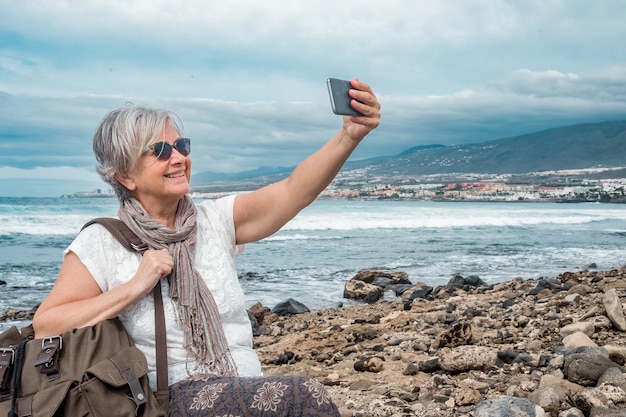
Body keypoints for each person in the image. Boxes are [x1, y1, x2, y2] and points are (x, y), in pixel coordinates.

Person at [32, 78, 381, 416]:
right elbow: (48, 324)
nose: (178, 158)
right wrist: (135, 286)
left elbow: (293, 190)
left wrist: (349, 136)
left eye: (181, 146)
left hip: (244, 388)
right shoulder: (104, 241)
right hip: (166, 399)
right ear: (125, 175)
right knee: (304, 395)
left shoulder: (214, 221)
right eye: (160, 151)